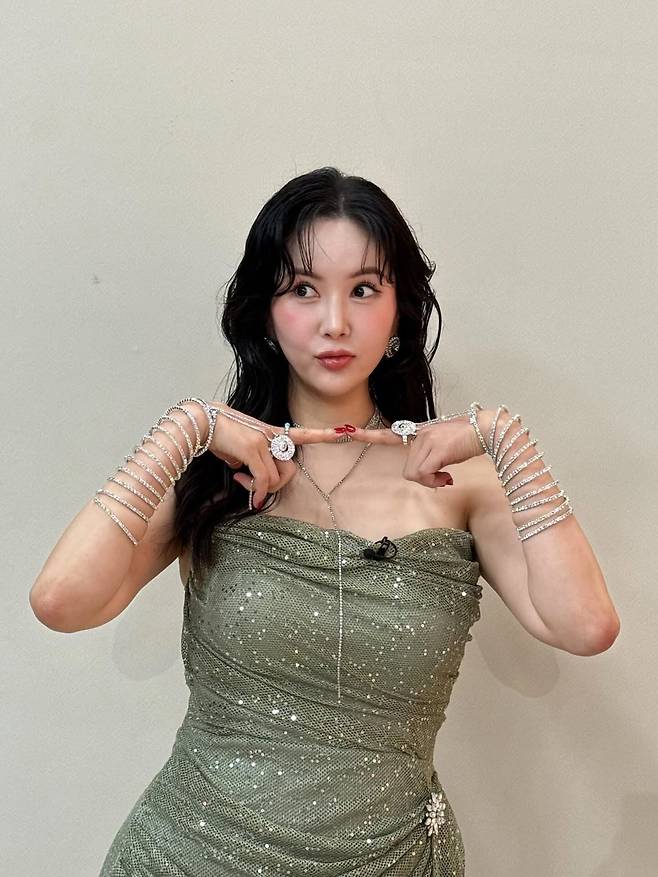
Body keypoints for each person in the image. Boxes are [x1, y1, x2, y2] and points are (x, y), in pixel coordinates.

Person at [29, 166, 620, 876]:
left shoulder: (459, 484)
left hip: (396, 860)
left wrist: (507, 440)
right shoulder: (211, 473)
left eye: (363, 290)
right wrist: (184, 429)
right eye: (303, 289)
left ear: (399, 310)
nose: (334, 322)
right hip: (191, 855)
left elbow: (585, 627)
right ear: (265, 312)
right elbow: (61, 602)